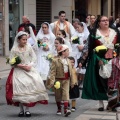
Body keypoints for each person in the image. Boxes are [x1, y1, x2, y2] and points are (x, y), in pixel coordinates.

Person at [78, 16, 118, 111]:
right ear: (99, 22)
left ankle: (112, 103)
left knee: (112, 82)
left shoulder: (115, 32)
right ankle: (100, 103)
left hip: (112, 59)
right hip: (98, 60)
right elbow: (88, 47)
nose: (105, 22)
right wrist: (82, 60)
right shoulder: (94, 33)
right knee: (99, 82)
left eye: (107, 20)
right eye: (103, 21)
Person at [6, 31, 49, 117]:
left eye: (26, 39)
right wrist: (19, 65)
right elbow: (11, 61)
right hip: (18, 70)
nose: (25, 41)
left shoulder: (29, 47)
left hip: (28, 68)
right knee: (20, 88)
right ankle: (21, 110)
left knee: (30, 86)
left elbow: (34, 58)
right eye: (23, 40)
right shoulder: (14, 49)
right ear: (18, 40)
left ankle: (27, 109)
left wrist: (29, 65)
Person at [47, 44, 74, 117]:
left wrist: (72, 81)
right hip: (58, 80)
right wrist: (52, 81)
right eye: (67, 51)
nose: (68, 52)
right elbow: (52, 72)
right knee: (58, 95)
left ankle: (66, 109)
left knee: (66, 94)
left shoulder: (68, 60)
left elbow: (71, 72)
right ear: (63, 52)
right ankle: (59, 108)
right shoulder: (55, 61)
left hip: (66, 80)